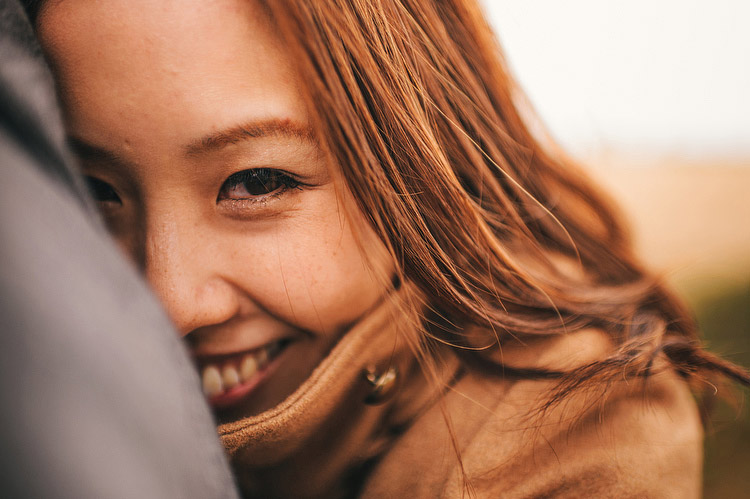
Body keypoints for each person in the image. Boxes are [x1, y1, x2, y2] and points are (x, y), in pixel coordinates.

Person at [25, 0, 749, 497]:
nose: (172, 300)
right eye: (94, 193)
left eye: (258, 180)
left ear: (416, 160)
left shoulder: (574, 424)